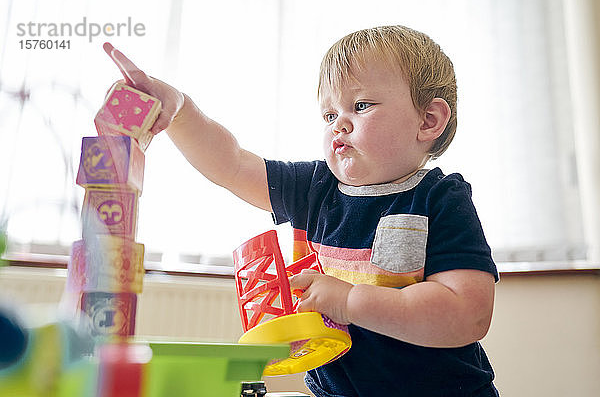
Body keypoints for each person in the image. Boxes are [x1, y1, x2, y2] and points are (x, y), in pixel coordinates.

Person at [103, 24, 499, 396]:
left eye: (360, 106)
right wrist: (181, 110)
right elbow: (232, 163)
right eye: (329, 115)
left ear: (428, 120)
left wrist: (349, 302)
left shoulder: (441, 199)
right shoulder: (315, 189)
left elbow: (467, 315)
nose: (338, 125)